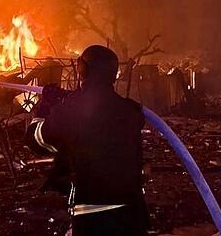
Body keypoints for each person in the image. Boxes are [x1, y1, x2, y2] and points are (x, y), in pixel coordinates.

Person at [26, 45, 149, 236]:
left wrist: (44, 108)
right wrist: (68, 100)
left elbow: (37, 141)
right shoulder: (130, 111)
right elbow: (103, 112)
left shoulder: (70, 111)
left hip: (93, 217)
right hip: (132, 215)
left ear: (81, 69)